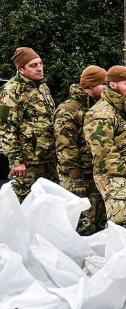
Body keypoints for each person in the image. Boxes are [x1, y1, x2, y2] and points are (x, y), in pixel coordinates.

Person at [83, 66, 126, 231]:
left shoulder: (121, 107)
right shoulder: (101, 113)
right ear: (112, 85)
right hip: (111, 175)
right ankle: (125, 256)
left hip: (123, 174)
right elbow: (104, 154)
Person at [54, 65, 107, 235]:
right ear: (91, 86)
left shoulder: (96, 106)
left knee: (99, 221)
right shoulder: (69, 110)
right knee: (83, 223)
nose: (106, 88)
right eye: (103, 84)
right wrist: (76, 179)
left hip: (92, 173)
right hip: (77, 177)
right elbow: (65, 147)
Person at [0, 47, 57, 201]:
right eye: (33, 65)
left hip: (49, 159)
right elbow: (6, 128)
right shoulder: (10, 91)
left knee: (46, 203)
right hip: (28, 163)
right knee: (22, 202)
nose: (39, 68)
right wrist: (16, 161)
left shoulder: (42, 87)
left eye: (40, 64)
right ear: (21, 69)